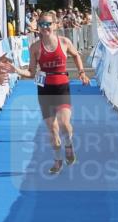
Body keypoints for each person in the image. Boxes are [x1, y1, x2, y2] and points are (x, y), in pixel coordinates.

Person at [14, 12, 90, 175]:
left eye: (48, 24)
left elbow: (76, 55)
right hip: (44, 90)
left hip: (61, 87)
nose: (45, 27)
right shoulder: (35, 47)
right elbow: (31, 73)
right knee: (53, 129)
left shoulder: (64, 42)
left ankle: (68, 146)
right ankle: (57, 160)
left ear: (55, 25)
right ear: (38, 27)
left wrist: (82, 73)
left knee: (64, 124)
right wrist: (17, 70)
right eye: (41, 24)